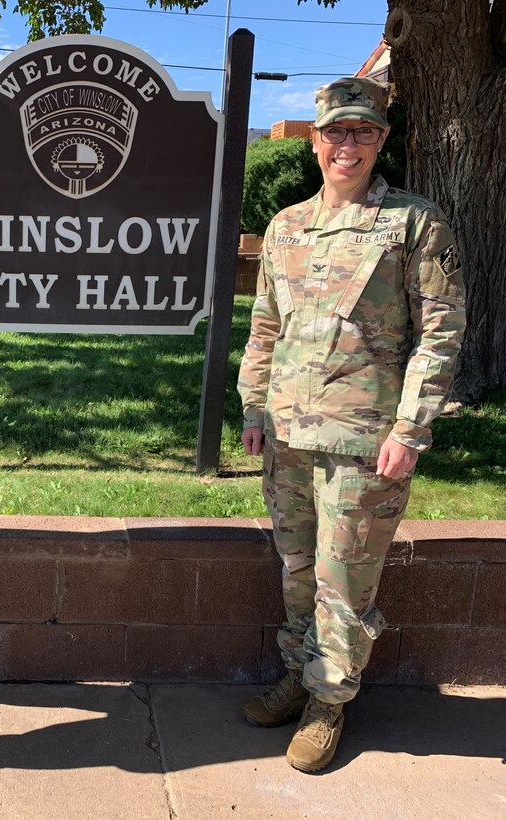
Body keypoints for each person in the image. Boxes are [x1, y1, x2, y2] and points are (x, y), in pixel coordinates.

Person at [236, 77, 465, 773]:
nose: (347, 143)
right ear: (314, 141)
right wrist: (251, 406)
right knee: (298, 573)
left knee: (345, 583)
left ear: (382, 139)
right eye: (336, 131)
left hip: (365, 443)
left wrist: (409, 429)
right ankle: (297, 675)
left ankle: (326, 702)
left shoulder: (412, 222)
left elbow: (440, 332)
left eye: (362, 131)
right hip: (287, 439)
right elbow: (265, 324)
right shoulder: (286, 226)